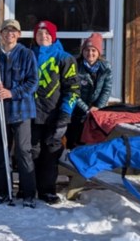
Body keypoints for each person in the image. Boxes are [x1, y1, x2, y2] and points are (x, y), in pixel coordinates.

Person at [0, 18, 38, 207]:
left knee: (23, 152)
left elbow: (33, 83)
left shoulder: (27, 54)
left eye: (13, 31)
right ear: (1, 33)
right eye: (6, 31)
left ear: (19, 34)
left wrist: (12, 92)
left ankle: (29, 194)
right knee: (1, 153)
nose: (10, 34)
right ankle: (4, 191)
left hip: (21, 111)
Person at [29, 20, 80, 205]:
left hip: (54, 114)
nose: (43, 37)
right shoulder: (28, 55)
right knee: (31, 151)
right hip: (31, 113)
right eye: (40, 34)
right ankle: (30, 187)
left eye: (47, 34)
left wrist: (65, 114)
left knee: (51, 152)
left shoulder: (64, 58)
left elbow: (73, 88)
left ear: (53, 36)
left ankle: (47, 189)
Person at [67, 32, 113, 149]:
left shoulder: (106, 67)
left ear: (99, 52)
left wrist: (98, 107)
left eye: (93, 50)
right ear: (82, 51)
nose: (90, 53)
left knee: (94, 144)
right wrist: (86, 109)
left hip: (96, 111)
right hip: (76, 111)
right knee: (75, 142)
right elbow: (72, 91)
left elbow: (106, 89)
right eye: (87, 50)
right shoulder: (75, 66)